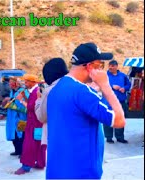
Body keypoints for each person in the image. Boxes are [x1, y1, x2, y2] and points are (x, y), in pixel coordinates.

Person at [46, 42, 126, 179]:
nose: (102, 70)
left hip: (58, 171)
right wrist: (106, 86)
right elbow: (119, 121)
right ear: (90, 67)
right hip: (81, 172)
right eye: (100, 65)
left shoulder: (56, 89)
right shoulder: (83, 92)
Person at [14, 74, 46, 175]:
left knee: (29, 144)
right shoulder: (35, 91)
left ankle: (26, 166)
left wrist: (21, 100)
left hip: (34, 123)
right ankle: (40, 163)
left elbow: (31, 107)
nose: (25, 83)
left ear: (33, 82)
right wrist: (25, 97)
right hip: (37, 122)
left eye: (27, 81)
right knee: (39, 143)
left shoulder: (36, 92)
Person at [36, 58, 69, 147]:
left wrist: (38, 100)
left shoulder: (50, 91)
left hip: (54, 137)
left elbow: (42, 117)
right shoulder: (75, 86)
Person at [104, 60, 131, 144]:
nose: (110, 67)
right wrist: (112, 86)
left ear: (116, 66)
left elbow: (129, 84)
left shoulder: (123, 76)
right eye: (109, 66)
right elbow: (100, 85)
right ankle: (109, 137)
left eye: (112, 66)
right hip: (109, 102)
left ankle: (120, 137)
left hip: (121, 101)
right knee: (109, 118)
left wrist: (124, 88)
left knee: (120, 119)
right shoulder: (105, 76)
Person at [4, 76, 28, 157]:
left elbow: (26, 106)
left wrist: (14, 106)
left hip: (20, 117)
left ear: (16, 83)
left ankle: (23, 152)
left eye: (11, 82)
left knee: (21, 135)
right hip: (12, 117)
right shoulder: (12, 92)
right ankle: (17, 150)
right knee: (14, 134)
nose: (9, 84)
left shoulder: (22, 92)